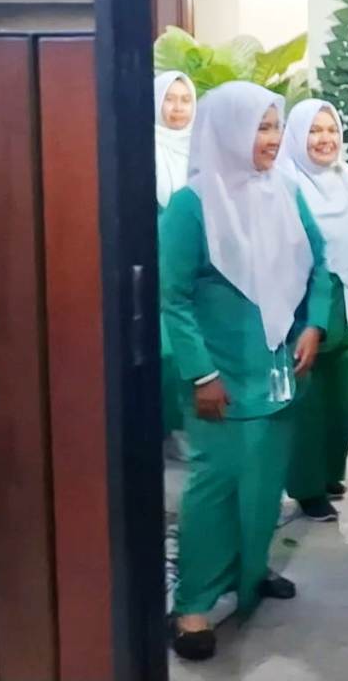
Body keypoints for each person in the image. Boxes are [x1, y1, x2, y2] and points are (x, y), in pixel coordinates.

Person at [162, 81, 332, 661]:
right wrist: (201, 374)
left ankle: (251, 573)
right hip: (221, 378)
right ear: (228, 131)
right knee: (216, 488)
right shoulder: (191, 206)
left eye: (275, 125)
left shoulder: (284, 190)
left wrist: (315, 325)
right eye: (260, 127)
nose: (272, 138)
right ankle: (192, 605)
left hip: (281, 368)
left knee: (263, 483)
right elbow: (173, 298)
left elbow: (319, 263)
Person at [279, 99, 348, 521]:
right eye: (314, 131)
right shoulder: (286, 182)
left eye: (331, 129)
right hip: (305, 305)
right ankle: (306, 486)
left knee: (345, 392)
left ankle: (330, 471)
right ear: (297, 136)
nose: (325, 139)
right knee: (309, 401)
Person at [155, 71, 197, 443]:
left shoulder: (202, 150)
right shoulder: (143, 148)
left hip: (198, 259)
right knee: (166, 350)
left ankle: (188, 427)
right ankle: (166, 428)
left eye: (185, 100)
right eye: (170, 99)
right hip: (157, 261)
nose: (178, 108)